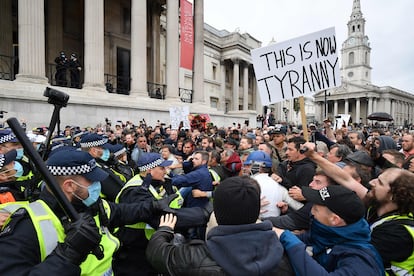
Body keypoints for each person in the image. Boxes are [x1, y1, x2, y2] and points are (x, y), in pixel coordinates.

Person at [0, 147, 178, 275]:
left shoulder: (89, 205)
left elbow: (121, 212)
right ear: (69, 185)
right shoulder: (26, 227)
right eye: (92, 181)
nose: (97, 186)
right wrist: (67, 256)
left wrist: (153, 206)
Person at [302, 141, 414, 274]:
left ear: (393, 196)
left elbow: (355, 257)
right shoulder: (376, 203)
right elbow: (345, 179)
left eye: (379, 182)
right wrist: (313, 156)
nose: (372, 182)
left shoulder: (397, 233)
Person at [146, 176, 291, 275]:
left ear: (217, 212)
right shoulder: (285, 252)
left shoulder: (196, 256)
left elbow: (158, 255)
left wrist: (164, 230)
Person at [113, 152, 210, 275]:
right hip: (136, 250)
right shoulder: (135, 191)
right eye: (162, 168)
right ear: (149, 171)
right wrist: (204, 215)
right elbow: (161, 218)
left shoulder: (161, 183)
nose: (166, 170)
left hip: (155, 243)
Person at [274, 185, 385, 275]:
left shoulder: (360, 261)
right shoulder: (327, 232)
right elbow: (304, 239)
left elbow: (294, 243)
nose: (311, 212)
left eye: (316, 209)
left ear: (334, 219)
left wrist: (290, 242)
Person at [242, 151, 303, 219]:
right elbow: (300, 208)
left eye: (248, 165)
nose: (245, 168)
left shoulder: (246, 184)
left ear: (257, 166)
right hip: (273, 225)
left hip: (251, 223)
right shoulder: (278, 185)